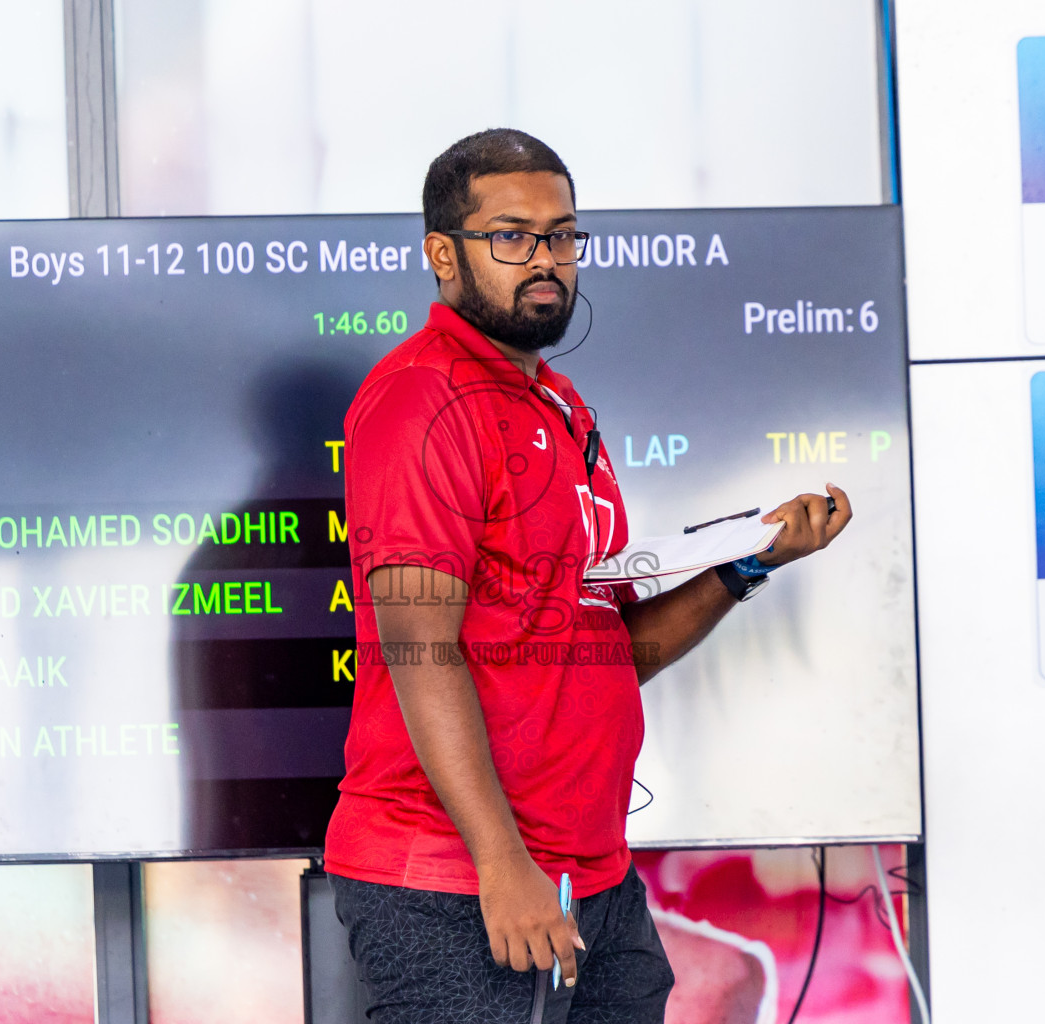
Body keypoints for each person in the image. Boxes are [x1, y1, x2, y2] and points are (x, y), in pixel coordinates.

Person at [324, 128, 851, 1024]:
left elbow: (605, 646)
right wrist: (501, 863)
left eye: (564, 236)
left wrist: (750, 564)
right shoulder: (423, 398)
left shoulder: (559, 405)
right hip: (464, 882)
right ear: (443, 255)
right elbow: (419, 650)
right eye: (513, 236)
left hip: (590, 875)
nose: (546, 260)